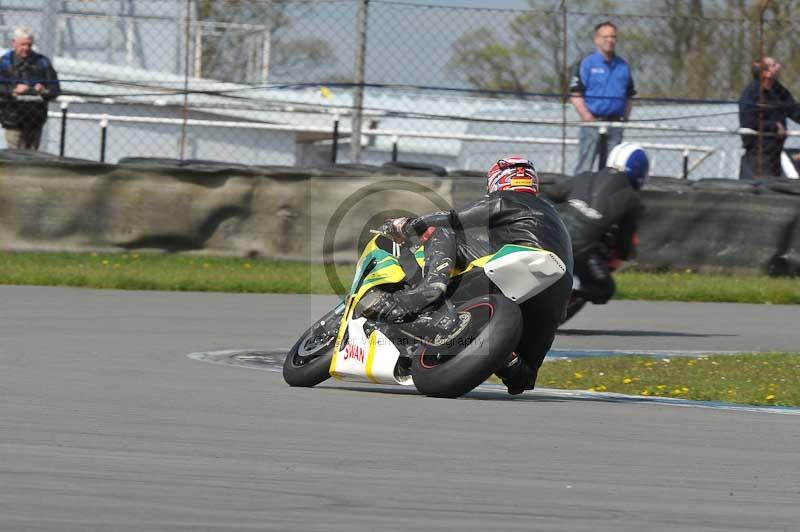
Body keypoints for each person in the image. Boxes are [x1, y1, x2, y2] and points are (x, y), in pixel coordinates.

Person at [364, 156, 574, 395]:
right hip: (557, 290)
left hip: (521, 261)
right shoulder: (555, 217)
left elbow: (456, 219)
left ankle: (430, 287)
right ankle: (505, 357)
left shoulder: (508, 198)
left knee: (442, 231)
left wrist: (409, 225)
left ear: (498, 179)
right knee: (523, 377)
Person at [552, 142, 648, 306]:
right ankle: (572, 293)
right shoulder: (632, 200)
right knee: (606, 289)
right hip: (580, 252)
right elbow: (624, 240)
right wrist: (625, 255)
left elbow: (550, 194)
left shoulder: (584, 176)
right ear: (640, 170)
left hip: (549, 235)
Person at [569, 21, 636, 175]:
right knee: (585, 165)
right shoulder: (586, 64)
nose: (609, 40)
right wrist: (587, 117)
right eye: (605, 36)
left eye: (613, 37)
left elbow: (630, 95)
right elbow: (575, 93)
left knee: (612, 167)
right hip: (592, 123)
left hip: (615, 124)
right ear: (596, 39)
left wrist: (624, 117)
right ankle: (579, 195)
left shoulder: (623, 66)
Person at [738, 56, 800, 179]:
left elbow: (794, 110)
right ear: (766, 73)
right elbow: (748, 122)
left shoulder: (778, 90)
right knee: (763, 190)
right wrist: (774, 126)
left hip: (775, 153)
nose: (779, 67)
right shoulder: (751, 93)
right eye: (774, 65)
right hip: (758, 154)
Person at [0, 27, 60, 151]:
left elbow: (55, 89)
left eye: (29, 44)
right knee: (14, 155)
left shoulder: (42, 62)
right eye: (22, 44)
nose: (26, 48)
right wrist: (13, 90)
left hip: (35, 118)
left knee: (32, 155)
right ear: (14, 43)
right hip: (13, 118)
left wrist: (43, 90)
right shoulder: (5, 62)